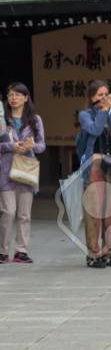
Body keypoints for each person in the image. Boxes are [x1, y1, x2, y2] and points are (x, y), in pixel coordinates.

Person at [76, 81, 111, 268]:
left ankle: (108, 253)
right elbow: (95, 130)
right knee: (94, 212)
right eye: (100, 95)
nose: (104, 98)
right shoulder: (85, 115)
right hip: (95, 166)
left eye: (107, 94)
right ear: (91, 97)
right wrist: (104, 111)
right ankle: (93, 255)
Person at [0, 83, 45, 264]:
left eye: (18, 95)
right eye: (11, 95)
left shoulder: (35, 120)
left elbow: (42, 146)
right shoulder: (2, 119)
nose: (14, 98)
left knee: (24, 214)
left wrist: (31, 146)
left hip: (26, 170)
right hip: (5, 170)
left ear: (26, 98)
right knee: (8, 212)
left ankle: (21, 251)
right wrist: (11, 146)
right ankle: (3, 251)